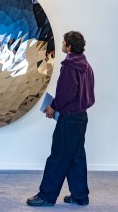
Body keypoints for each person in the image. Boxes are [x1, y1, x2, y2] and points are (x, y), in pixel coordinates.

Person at [27, 31, 95, 207]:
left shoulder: (69, 67)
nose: (62, 44)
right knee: (76, 157)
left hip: (69, 119)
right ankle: (80, 196)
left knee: (58, 157)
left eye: (64, 42)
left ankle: (46, 196)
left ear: (70, 47)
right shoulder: (86, 65)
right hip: (82, 117)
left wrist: (53, 107)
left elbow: (66, 93)